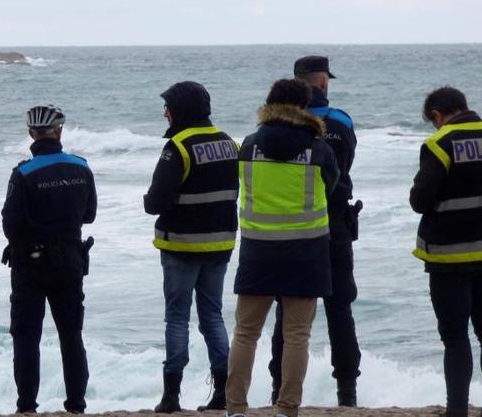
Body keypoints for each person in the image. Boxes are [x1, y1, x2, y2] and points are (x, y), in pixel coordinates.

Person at [225, 79, 339, 417]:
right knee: (297, 335)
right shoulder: (319, 149)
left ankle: (235, 408)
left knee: (245, 333)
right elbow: (331, 187)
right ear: (303, 107)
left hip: (258, 250)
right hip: (306, 252)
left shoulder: (248, 144)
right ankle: (287, 409)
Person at [269, 55, 362, 406]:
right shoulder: (340, 121)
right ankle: (347, 392)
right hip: (334, 221)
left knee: (287, 309)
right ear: (323, 82)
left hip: (291, 224)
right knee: (340, 307)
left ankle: (279, 388)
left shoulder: (280, 125)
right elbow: (347, 162)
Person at [143, 82, 239, 413]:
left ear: (181, 109)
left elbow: (154, 202)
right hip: (221, 244)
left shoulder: (178, 147)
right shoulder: (229, 143)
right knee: (213, 316)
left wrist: (148, 200)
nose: (165, 113)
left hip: (182, 247)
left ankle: (171, 396)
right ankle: (224, 393)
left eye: (168, 106)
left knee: (177, 318)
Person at [2, 105, 97, 414]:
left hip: (30, 263)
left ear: (31, 133)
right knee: (71, 335)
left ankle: (27, 406)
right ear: (60, 131)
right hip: (70, 259)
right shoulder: (81, 167)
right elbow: (90, 214)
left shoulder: (24, 173)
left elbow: (10, 224)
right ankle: (76, 405)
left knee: (27, 336)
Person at [410, 86, 482, 417]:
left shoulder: (440, 144)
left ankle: (457, 411)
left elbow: (420, 200)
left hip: (449, 259)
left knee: (455, 339)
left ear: (438, 116)